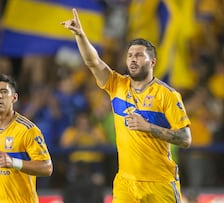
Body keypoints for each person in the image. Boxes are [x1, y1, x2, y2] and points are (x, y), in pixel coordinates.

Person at [61, 8, 192, 203]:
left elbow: (185, 138)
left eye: (139, 55)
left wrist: (148, 127)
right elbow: (93, 62)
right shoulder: (117, 85)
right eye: (130, 55)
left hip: (160, 182)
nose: (132, 59)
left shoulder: (168, 95)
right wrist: (80, 36)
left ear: (153, 62)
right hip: (125, 183)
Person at [0, 74, 53, 203]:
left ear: (14, 97)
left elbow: (47, 168)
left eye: (4, 92)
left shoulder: (28, 130)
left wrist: (14, 163)